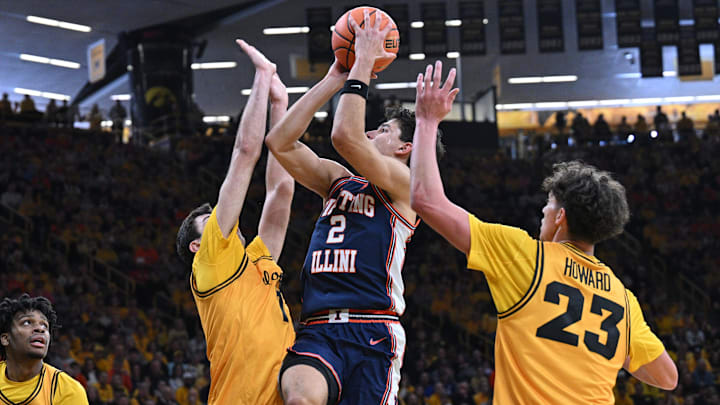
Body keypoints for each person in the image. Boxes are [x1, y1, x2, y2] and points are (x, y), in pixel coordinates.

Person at [409, 61, 678, 403]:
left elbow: (425, 199)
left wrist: (426, 121)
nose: (542, 211)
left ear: (561, 216)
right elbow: (668, 377)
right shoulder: (622, 299)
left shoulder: (526, 257)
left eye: (548, 205)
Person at [265, 10, 444, 405]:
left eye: (382, 130)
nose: (370, 131)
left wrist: (362, 60)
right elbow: (280, 143)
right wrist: (334, 78)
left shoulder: (406, 187)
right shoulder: (337, 181)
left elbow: (345, 136)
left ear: (405, 148)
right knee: (299, 399)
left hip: (372, 331)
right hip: (318, 329)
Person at [175, 40, 295, 404]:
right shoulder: (212, 262)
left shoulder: (257, 259)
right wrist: (262, 77)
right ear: (199, 246)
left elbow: (282, 189)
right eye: (209, 222)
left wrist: (280, 106)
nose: (221, 221)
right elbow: (245, 153)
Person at [0, 294, 89, 404]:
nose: (40, 329)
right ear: (5, 338)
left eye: (44, 325)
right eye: (27, 322)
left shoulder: (68, 391)